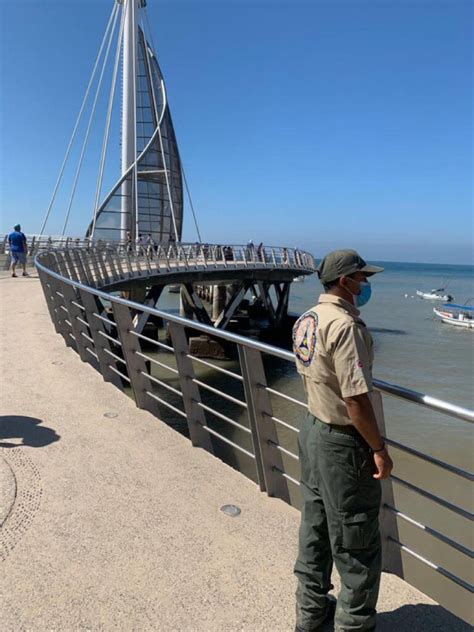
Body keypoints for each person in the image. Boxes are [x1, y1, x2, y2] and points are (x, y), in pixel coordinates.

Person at [292, 249, 393, 632]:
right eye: (362, 278)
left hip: (312, 430)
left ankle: (310, 614)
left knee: (315, 528)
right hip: (343, 444)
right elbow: (355, 399)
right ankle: (353, 625)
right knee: (358, 541)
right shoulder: (345, 327)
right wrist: (379, 449)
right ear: (345, 282)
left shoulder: (308, 318)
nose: (365, 284)